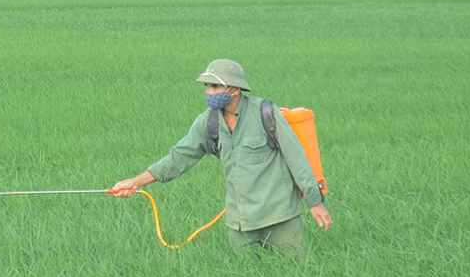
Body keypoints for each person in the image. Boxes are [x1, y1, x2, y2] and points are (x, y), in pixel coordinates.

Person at [111, 59, 332, 256]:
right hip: (240, 223)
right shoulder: (208, 123)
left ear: (234, 89)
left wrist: (315, 202)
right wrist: (135, 182)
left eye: (215, 86)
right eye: (207, 87)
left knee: (291, 274)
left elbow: (297, 159)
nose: (209, 92)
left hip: (280, 216)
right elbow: (178, 158)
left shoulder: (265, 114)